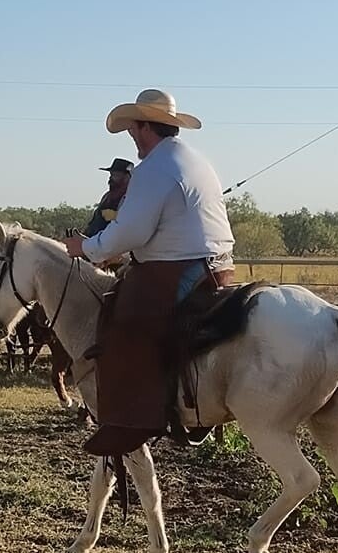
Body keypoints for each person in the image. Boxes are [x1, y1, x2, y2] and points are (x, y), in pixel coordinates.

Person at [65, 88, 236, 456]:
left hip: (179, 269)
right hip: (218, 266)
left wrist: (87, 248)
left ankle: (134, 419)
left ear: (145, 126)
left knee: (121, 324)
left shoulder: (153, 169)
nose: (131, 134)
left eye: (133, 127)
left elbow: (130, 231)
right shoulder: (194, 160)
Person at [84, 157, 134, 239]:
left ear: (127, 177)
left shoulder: (131, 199)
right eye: (111, 174)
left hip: (114, 243)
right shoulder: (106, 197)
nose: (110, 178)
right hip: (93, 242)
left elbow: (127, 223)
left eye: (115, 175)